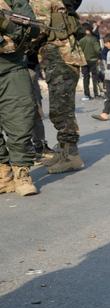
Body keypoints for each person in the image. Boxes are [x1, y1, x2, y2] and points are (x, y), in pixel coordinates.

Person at [32, 0, 87, 174]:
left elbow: (39, 28)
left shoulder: (42, 1)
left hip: (60, 57)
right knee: (60, 108)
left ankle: (71, 156)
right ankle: (63, 152)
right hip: (60, 56)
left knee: (62, 110)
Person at [0, 0, 41, 196]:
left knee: (19, 121)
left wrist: (4, 22)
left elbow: (32, 30)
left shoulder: (14, 1)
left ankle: (21, 172)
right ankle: (3, 174)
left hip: (11, 69)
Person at [79, 25, 101, 101]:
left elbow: (79, 51)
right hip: (93, 60)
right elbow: (97, 50)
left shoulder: (81, 40)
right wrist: (100, 57)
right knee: (95, 77)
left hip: (84, 61)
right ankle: (96, 94)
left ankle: (87, 95)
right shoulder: (94, 39)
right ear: (91, 31)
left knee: (85, 77)